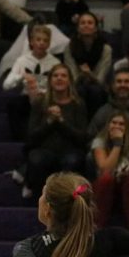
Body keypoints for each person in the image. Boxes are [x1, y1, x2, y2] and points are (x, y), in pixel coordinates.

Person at [23, 64, 87, 198]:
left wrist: (61, 121)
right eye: (55, 76)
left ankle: (66, 201)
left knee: (72, 161)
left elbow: (82, 138)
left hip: (70, 150)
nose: (59, 79)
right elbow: (31, 137)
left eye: (63, 76)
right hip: (45, 149)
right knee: (36, 159)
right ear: (50, 80)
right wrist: (50, 121)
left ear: (70, 80)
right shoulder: (40, 102)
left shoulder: (78, 104)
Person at [2, 24, 59, 142]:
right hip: (27, 97)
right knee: (14, 105)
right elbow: (6, 85)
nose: (41, 43)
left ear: (49, 44)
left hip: (47, 98)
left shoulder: (54, 62)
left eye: (45, 40)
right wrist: (21, 77)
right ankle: (20, 140)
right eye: (38, 40)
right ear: (32, 42)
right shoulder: (22, 60)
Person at [91, 110, 129, 228]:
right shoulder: (99, 141)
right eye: (114, 122)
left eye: (121, 124)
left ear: (127, 127)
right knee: (107, 179)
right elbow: (105, 169)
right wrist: (117, 144)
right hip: (104, 184)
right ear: (108, 124)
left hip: (127, 183)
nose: (117, 126)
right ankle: (97, 227)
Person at [63, 11, 111, 118]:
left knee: (95, 91)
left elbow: (101, 79)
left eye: (90, 23)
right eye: (83, 23)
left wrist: (89, 74)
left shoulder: (105, 49)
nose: (86, 25)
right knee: (79, 90)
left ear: (95, 28)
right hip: (77, 84)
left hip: (99, 86)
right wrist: (82, 75)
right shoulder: (69, 48)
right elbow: (72, 78)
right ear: (78, 28)